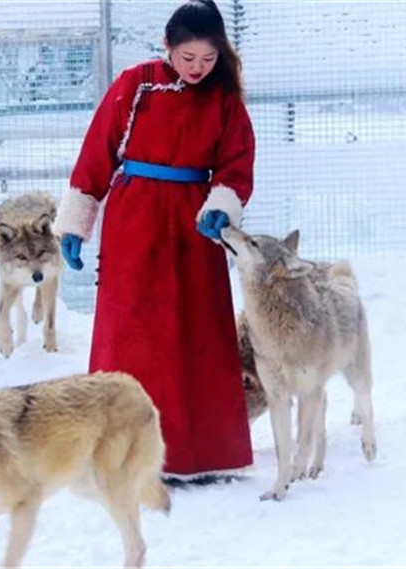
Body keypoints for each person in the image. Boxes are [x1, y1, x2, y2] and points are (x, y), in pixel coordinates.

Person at [52, 0, 255, 483]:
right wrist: (77, 223)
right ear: (167, 48)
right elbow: (97, 152)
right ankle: (119, 454)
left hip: (193, 223)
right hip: (134, 220)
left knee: (196, 332)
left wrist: (221, 206)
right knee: (130, 332)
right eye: (188, 59)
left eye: (208, 60)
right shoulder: (136, 84)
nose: (198, 69)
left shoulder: (224, 98)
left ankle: (199, 453)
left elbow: (236, 164)